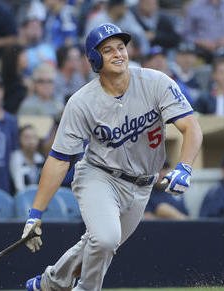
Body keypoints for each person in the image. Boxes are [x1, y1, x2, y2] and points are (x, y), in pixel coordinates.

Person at [21, 23, 203, 291]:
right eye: (108, 50)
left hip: (142, 184)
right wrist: (35, 214)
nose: (118, 54)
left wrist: (185, 166)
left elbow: (191, 126)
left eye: (121, 47)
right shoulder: (82, 102)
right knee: (105, 239)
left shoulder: (156, 82)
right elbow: (60, 159)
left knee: (98, 244)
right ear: (95, 59)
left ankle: (49, 284)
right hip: (100, 175)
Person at [17, 124, 45, 191]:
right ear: (19, 139)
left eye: (34, 137)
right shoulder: (16, 157)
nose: (31, 141)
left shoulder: (40, 159)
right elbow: (18, 186)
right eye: (27, 138)